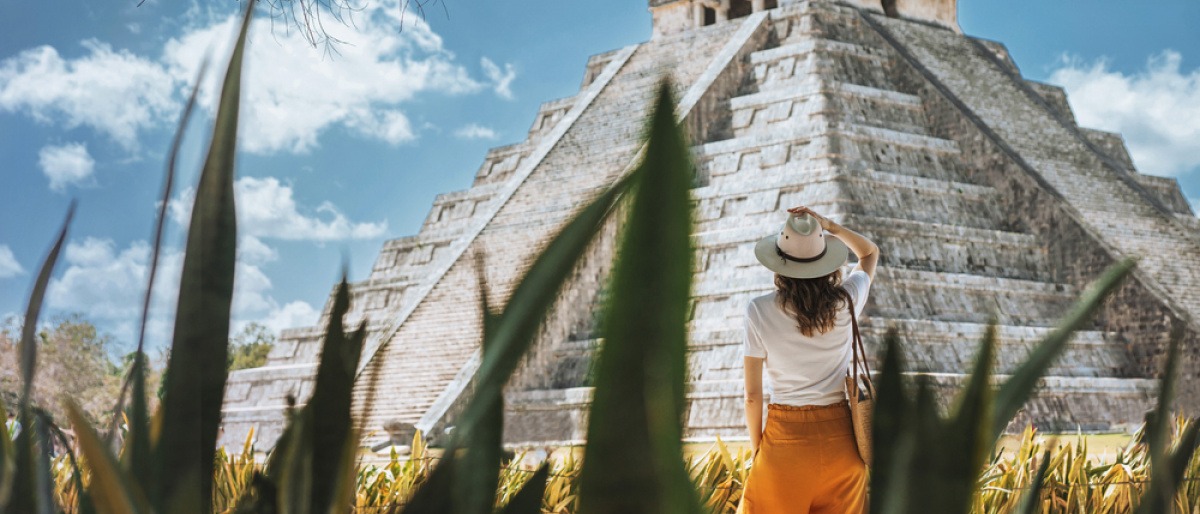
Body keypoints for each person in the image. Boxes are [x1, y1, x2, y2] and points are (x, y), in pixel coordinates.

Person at [740, 206, 879, 514]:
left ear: (779, 264)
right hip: (843, 445)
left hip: (784, 446)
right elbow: (869, 253)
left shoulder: (758, 310)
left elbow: (752, 397)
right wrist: (831, 227)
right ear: (827, 263)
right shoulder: (847, 301)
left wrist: (758, 451)